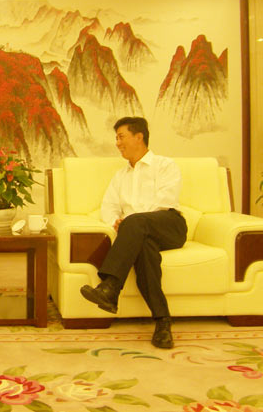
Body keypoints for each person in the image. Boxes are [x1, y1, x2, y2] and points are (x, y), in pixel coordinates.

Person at [80, 116, 187, 349]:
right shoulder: (121, 176)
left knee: (136, 223)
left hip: (169, 225)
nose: (117, 143)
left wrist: (130, 222)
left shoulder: (164, 165)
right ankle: (163, 322)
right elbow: (108, 206)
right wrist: (116, 222)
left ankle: (111, 286)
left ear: (139, 137)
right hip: (140, 233)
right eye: (116, 138)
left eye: (121, 137)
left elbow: (165, 201)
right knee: (145, 252)